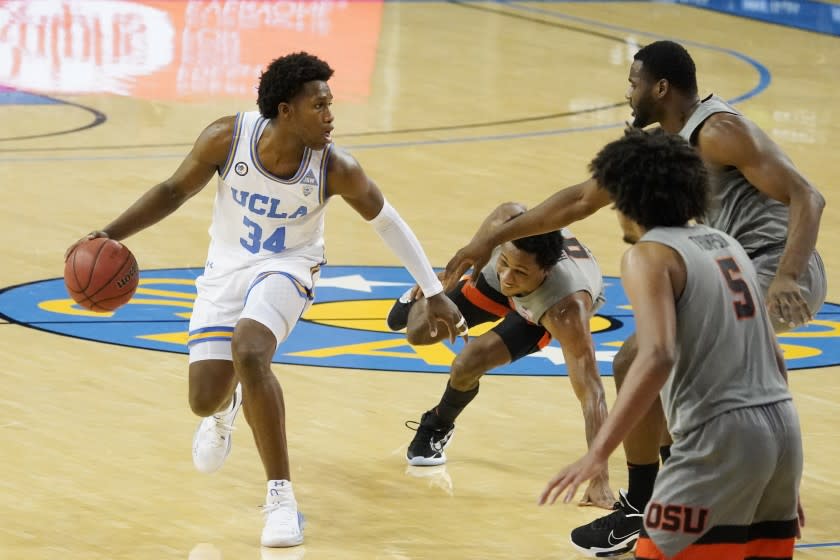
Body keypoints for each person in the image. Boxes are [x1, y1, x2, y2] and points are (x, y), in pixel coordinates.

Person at [64, 52, 467, 548]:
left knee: (251, 350)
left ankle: (281, 502)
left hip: (290, 266)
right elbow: (172, 191)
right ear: (284, 110)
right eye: (318, 105)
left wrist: (434, 290)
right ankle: (226, 405)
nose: (330, 115)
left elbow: (388, 221)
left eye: (330, 103)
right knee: (202, 398)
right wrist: (109, 233)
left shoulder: (335, 166)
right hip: (226, 268)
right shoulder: (226, 139)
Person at [443, 40, 825, 556]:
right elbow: (578, 200)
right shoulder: (659, 152)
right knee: (660, 366)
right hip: (727, 258)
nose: (628, 92)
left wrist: (786, 277)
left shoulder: (718, 131)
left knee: (647, 361)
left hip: (772, 262)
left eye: (633, 81)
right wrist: (489, 239)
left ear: (660, 87)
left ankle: (652, 500)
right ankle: (706, 485)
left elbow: (809, 195)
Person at [539, 128, 804, 560]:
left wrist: (599, 451)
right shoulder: (728, 244)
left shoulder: (649, 255)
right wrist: (775, 467)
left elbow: (657, 354)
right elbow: (772, 354)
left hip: (720, 437)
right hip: (782, 432)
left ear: (626, 200)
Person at [389, 202, 614, 508]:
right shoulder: (505, 255)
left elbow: (593, 394)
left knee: (467, 363)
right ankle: (421, 289)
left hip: (539, 309)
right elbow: (507, 209)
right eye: (505, 261)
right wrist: (442, 282)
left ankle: (438, 424)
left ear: (546, 269)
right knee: (417, 333)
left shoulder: (566, 311)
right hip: (511, 284)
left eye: (519, 271)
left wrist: (599, 479)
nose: (507, 276)